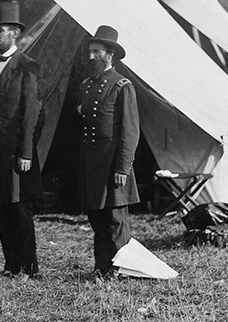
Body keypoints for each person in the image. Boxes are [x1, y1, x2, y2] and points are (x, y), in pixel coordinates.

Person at [0, 0, 44, 279]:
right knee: (0, 212)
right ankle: (11, 265)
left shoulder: (29, 67)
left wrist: (25, 153)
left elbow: (32, 114)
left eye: (1, 30)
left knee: (19, 213)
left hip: (17, 155)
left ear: (15, 33)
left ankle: (28, 268)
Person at [77, 25, 140, 279]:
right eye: (90, 51)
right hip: (93, 162)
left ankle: (121, 269)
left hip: (113, 163)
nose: (91, 56)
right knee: (97, 218)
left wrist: (122, 168)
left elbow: (130, 131)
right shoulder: (86, 85)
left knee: (115, 221)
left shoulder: (122, 85)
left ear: (110, 54)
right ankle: (102, 267)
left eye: (97, 51)